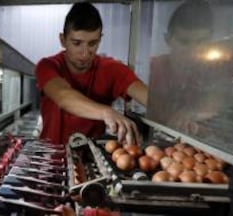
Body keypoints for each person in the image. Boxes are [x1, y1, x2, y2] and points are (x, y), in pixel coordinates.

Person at [35, 2, 148, 145]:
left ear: (100, 39)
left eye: (92, 43)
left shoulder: (111, 69)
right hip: (50, 158)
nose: (85, 53)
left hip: (92, 161)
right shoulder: (48, 66)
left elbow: (149, 98)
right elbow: (62, 95)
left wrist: (177, 112)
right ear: (63, 40)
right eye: (77, 43)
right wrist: (106, 112)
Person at [147, 0, 233, 134]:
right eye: (184, 42)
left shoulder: (218, 67)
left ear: (210, 39)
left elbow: (218, 96)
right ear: (168, 39)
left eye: (201, 41)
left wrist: (194, 111)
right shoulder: (153, 68)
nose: (194, 50)